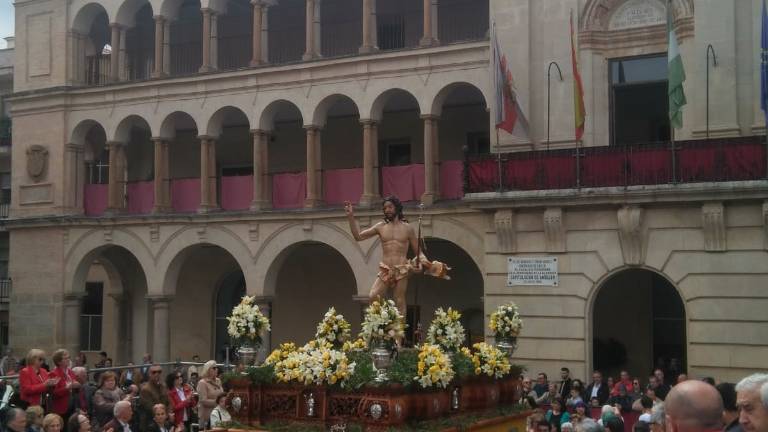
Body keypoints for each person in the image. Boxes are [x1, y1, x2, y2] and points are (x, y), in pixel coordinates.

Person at [345, 196, 449, 316]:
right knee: (373, 296)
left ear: (397, 208)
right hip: (386, 268)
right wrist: (350, 217)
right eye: (385, 208)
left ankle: (399, 332)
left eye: (390, 207)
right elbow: (358, 236)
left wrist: (424, 262)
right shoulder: (380, 226)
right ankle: (379, 325)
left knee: (399, 299)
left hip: (401, 269)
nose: (387, 210)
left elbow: (418, 252)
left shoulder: (408, 229)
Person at [48, 349, 80, 419]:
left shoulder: (71, 372)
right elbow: (54, 393)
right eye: (65, 358)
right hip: (61, 407)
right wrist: (67, 388)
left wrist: (77, 385)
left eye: (69, 357)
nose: (68, 360)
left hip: (73, 405)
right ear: (59, 361)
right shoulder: (54, 374)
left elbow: (75, 387)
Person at [138, 365, 170, 432]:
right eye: (154, 372)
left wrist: (169, 413)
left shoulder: (164, 386)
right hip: (150, 424)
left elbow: (169, 402)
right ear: (149, 374)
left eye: (159, 372)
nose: (157, 374)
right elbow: (151, 408)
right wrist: (165, 415)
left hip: (163, 421)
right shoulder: (145, 389)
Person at [196, 361, 223, 429]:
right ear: (208, 370)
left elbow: (222, 395)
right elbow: (203, 401)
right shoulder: (202, 383)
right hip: (207, 417)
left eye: (217, 368)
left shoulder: (218, 381)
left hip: (219, 415)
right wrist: (218, 402)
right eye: (214, 368)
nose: (216, 369)